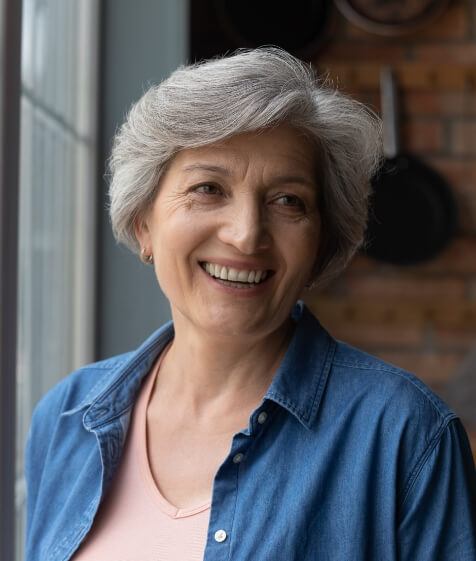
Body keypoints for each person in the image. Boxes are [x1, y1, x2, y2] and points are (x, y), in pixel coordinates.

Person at [25, 47, 476, 561]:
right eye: (208, 188)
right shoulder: (65, 417)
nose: (245, 235)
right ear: (143, 223)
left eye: (288, 201)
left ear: (321, 243)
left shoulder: (405, 435)